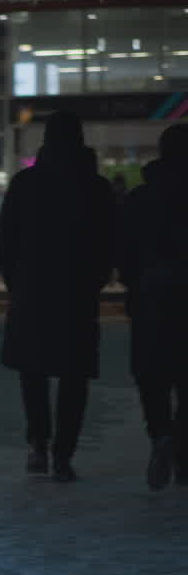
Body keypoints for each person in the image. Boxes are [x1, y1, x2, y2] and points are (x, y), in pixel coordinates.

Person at [0, 111, 115, 482]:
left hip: (33, 290)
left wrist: (17, 283)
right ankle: (64, 454)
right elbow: (108, 244)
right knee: (74, 377)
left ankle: (38, 445)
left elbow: (5, 241)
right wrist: (93, 282)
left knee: (33, 373)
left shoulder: (26, 184)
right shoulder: (96, 187)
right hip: (77, 294)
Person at [118, 123, 188, 491]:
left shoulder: (140, 199)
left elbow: (124, 253)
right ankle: (183, 457)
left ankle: (160, 436)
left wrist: (136, 282)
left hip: (151, 300)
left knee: (152, 378)